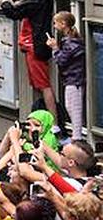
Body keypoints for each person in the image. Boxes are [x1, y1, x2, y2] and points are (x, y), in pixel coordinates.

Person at [0, 0, 56, 119]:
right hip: (34, 44)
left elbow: (14, 13)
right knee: (38, 84)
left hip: (34, 45)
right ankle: (41, 116)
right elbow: (25, 10)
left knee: (43, 85)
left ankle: (54, 122)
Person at [47, 10, 85, 141]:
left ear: (63, 24)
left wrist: (54, 48)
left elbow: (61, 60)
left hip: (74, 80)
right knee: (72, 107)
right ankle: (76, 137)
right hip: (72, 79)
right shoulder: (70, 41)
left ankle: (77, 138)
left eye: (55, 23)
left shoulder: (71, 43)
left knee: (74, 109)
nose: (54, 26)